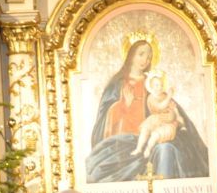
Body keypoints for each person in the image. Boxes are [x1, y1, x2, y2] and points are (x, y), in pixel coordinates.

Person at [86, 40, 208, 183]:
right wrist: (123, 106)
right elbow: (103, 120)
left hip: (149, 138)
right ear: (131, 55)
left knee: (168, 149)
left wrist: (172, 115)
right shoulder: (117, 84)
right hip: (122, 143)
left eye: (149, 57)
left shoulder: (152, 84)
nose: (145, 60)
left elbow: (166, 106)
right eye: (141, 54)